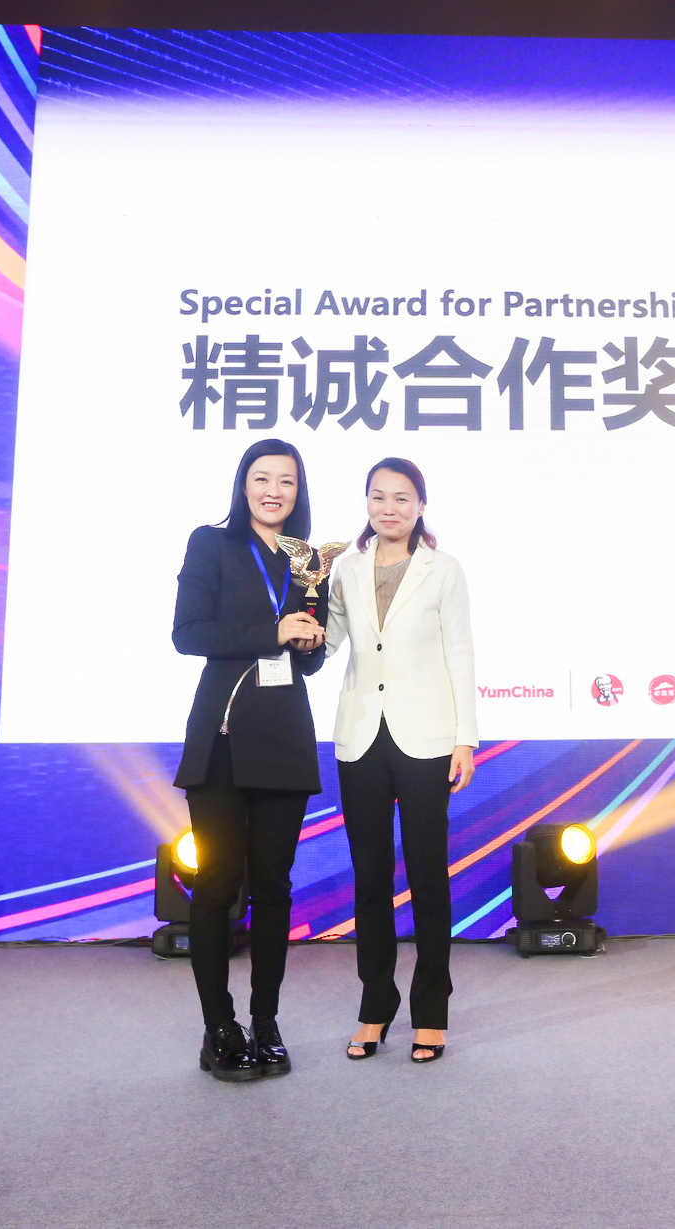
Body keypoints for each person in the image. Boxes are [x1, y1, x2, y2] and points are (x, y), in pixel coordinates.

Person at [171, 439, 327, 1082]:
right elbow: (187, 634)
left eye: (286, 481)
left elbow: (308, 663)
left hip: (283, 737)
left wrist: (311, 642)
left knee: (274, 889)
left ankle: (265, 1023)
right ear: (243, 485)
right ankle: (219, 1028)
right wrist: (273, 631)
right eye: (262, 479)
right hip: (224, 736)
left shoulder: (308, 560)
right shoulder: (212, 544)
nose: (273, 491)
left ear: (298, 492)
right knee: (214, 886)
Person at [326, 457, 476, 1064]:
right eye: (378, 497)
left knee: (428, 876)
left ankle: (431, 1011)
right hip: (361, 737)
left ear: (420, 506)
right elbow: (329, 641)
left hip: (428, 739)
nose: (389, 508)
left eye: (402, 498)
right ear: (366, 503)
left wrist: (465, 738)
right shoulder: (345, 568)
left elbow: (460, 652)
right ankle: (375, 1005)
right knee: (369, 880)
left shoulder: (445, 570)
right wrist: (295, 611)